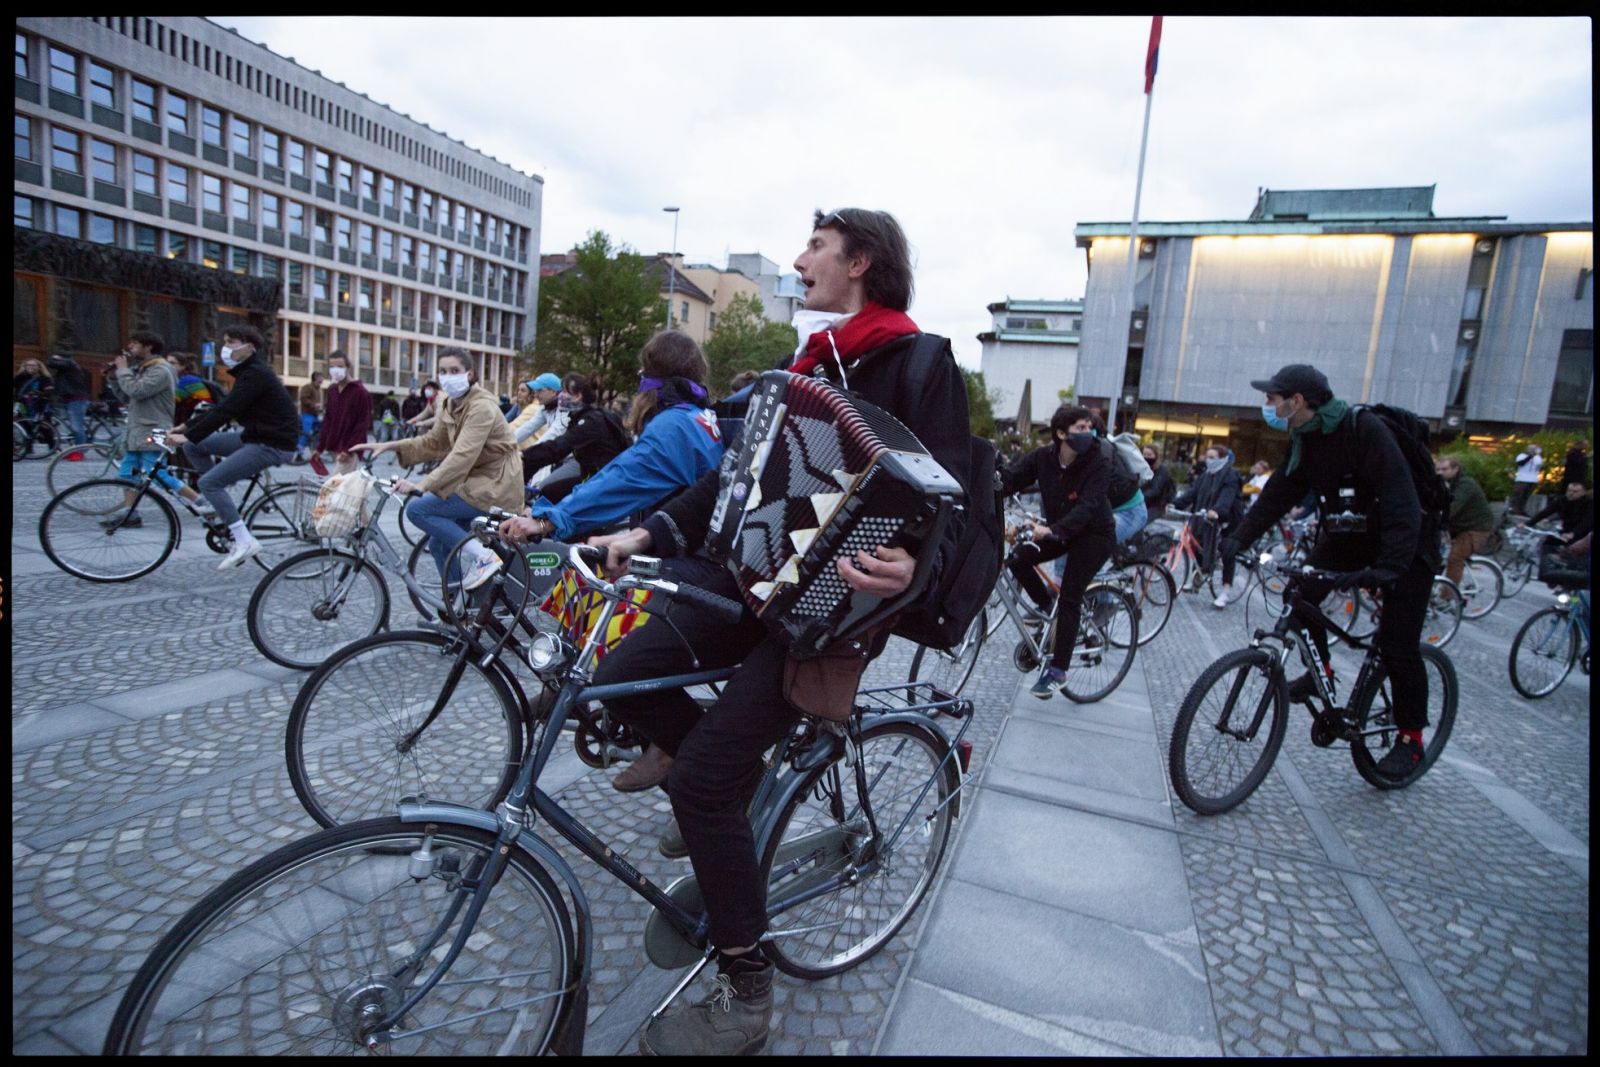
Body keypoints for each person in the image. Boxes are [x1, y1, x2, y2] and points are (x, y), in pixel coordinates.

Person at [582, 207, 971, 1056]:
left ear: (860, 262)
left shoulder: (920, 363)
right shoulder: (807, 362)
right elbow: (729, 478)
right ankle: (726, 767)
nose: (800, 262)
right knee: (616, 670)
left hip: (832, 615)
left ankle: (746, 990)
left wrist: (916, 568)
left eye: (816, 250)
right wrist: (643, 533)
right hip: (748, 577)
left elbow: (955, 503)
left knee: (702, 788)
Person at [1223, 363, 1439, 779]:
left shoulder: (1364, 430)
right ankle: (1320, 670)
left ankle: (1411, 738)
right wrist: (1240, 538)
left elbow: (1401, 500)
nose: (1267, 405)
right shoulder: (1304, 438)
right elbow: (1279, 493)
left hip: (1406, 542)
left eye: (1272, 398)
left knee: (1397, 643)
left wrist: (1388, 569)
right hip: (1349, 535)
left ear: (1297, 401)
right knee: (1299, 595)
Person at [501, 331, 723, 543]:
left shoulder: (673, 427)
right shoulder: (702, 416)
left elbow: (623, 478)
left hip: (685, 549)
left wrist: (547, 519)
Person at [350, 347, 522, 592]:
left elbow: (462, 455)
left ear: (470, 374)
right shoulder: (451, 404)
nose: (447, 376)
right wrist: (391, 445)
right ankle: (459, 608)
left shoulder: (482, 407)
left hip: (495, 483)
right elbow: (433, 442)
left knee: (418, 509)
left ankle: (486, 556)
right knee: (440, 544)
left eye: (455, 371)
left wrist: (422, 485)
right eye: (443, 371)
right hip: (474, 481)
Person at [1001, 405, 1117, 697]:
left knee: (1070, 596)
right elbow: (1012, 478)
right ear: (1061, 433)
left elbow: (1089, 506)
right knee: (1018, 558)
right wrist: (986, 483)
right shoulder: (1044, 458)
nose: (1088, 433)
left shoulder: (1098, 462)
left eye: (1089, 428)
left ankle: (1058, 671)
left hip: (1094, 535)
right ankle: (1044, 605)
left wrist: (1052, 530)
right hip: (1061, 530)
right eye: (1080, 428)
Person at [167, 324, 299, 569]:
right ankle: (213, 503)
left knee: (209, 481)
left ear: (249, 348)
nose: (225, 348)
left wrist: (190, 435)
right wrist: (186, 429)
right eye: (225, 342)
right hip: (255, 436)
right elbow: (221, 408)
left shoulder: (255, 374)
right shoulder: (247, 373)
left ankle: (243, 540)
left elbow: (228, 411)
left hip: (272, 443)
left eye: (231, 343)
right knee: (196, 448)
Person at [101, 334, 209, 527]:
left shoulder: (161, 369)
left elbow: (137, 391)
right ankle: (130, 514)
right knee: (127, 473)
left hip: (154, 429)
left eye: (135, 343)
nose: (130, 347)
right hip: (137, 430)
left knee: (158, 474)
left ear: (148, 347)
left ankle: (203, 503)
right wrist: (114, 378)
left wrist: (123, 371)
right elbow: (128, 398)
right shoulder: (145, 369)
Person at [515, 371, 628, 504]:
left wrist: (524, 455)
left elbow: (558, 446)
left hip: (604, 480)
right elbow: (528, 429)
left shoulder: (590, 421)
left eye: (564, 391)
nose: (560, 395)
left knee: (548, 490)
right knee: (548, 489)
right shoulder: (580, 416)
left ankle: (545, 524)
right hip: (593, 474)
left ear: (577, 396)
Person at [1173, 444, 1245, 607]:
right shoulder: (1205, 476)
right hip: (1207, 517)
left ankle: (1225, 592)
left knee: (1227, 552)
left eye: (1213, 457)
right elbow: (1192, 493)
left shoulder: (1230, 476)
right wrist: (1174, 504)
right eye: (1208, 457)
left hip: (1228, 519)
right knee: (1197, 541)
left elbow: (1227, 498)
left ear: (1223, 459)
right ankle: (1196, 578)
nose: (1208, 460)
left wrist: (1216, 511)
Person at [1435, 455, 1494, 588]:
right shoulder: (1446, 484)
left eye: (1444, 469)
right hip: (1459, 527)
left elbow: (1452, 507)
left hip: (1476, 528)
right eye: (1438, 470)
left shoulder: (1465, 485)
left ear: (1456, 469)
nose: (1440, 473)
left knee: (1455, 558)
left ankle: (1447, 598)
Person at [316, 350, 371, 470]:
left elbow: (363, 424)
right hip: (335, 447)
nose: (335, 370)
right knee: (341, 486)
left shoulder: (360, 392)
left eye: (340, 366)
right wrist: (320, 447)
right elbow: (328, 419)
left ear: (348, 367)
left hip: (349, 449)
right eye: (332, 366)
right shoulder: (332, 391)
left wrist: (348, 449)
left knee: (335, 487)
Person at [47, 352, 92, 444]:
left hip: (76, 400)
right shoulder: (66, 369)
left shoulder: (69, 363)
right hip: (70, 399)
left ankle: (79, 451)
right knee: (73, 425)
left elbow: (51, 364)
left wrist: (53, 357)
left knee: (76, 427)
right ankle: (74, 448)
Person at [1528, 481, 1594, 544]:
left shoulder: (1589, 504)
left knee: (1573, 548)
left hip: (1584, 535)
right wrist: (1528, 524)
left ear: (1583, 493)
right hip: (1566, 531)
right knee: (1546, 541)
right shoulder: (1562, 500)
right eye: (1569, 490)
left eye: (1575, 492)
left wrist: (1573, 533)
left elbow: (1587, 522)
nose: (1571, 493)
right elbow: (1545, 512)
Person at [166, 353, 214, 427]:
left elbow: (172, 400)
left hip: (196, 418)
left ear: (183, 366)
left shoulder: (187, 380)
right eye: (166, 362)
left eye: (172, 363)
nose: (167, 365)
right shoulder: (182, 378)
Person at [296, 370, 325, 460]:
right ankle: (299, 455)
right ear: (315, 378)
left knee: (319, 433)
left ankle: (315, 453)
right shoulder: (307, 387)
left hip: (315, 415)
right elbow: (303, 398)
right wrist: (313, 404)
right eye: (320, 377)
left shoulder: (318, 389)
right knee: (306, 433)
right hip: (307, 414)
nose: (322, 379)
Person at [1141, 444, 1176, 517]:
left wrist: (1139, 498)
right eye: (1144, 454)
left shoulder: (1161, 471)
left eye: (1149, 455)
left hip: (1157, 505)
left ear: (1156, 456)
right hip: (1145, 503)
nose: (1146, 457)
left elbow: (1155, 489)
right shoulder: (1142, 468)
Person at [1510, 442, 1543, 516]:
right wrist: (1530, 456)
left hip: (1532, 479)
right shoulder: (1521, 456)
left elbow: (1538, 466)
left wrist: (1537, 455)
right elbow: (1521, 463)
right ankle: (1514, 509)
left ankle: (1521, 510)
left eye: (1534, 449)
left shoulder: (1538, 458)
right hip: (1522, 479)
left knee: (1525, 496)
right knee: (1518, 495)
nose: (1532, 450)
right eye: (1531, 449)